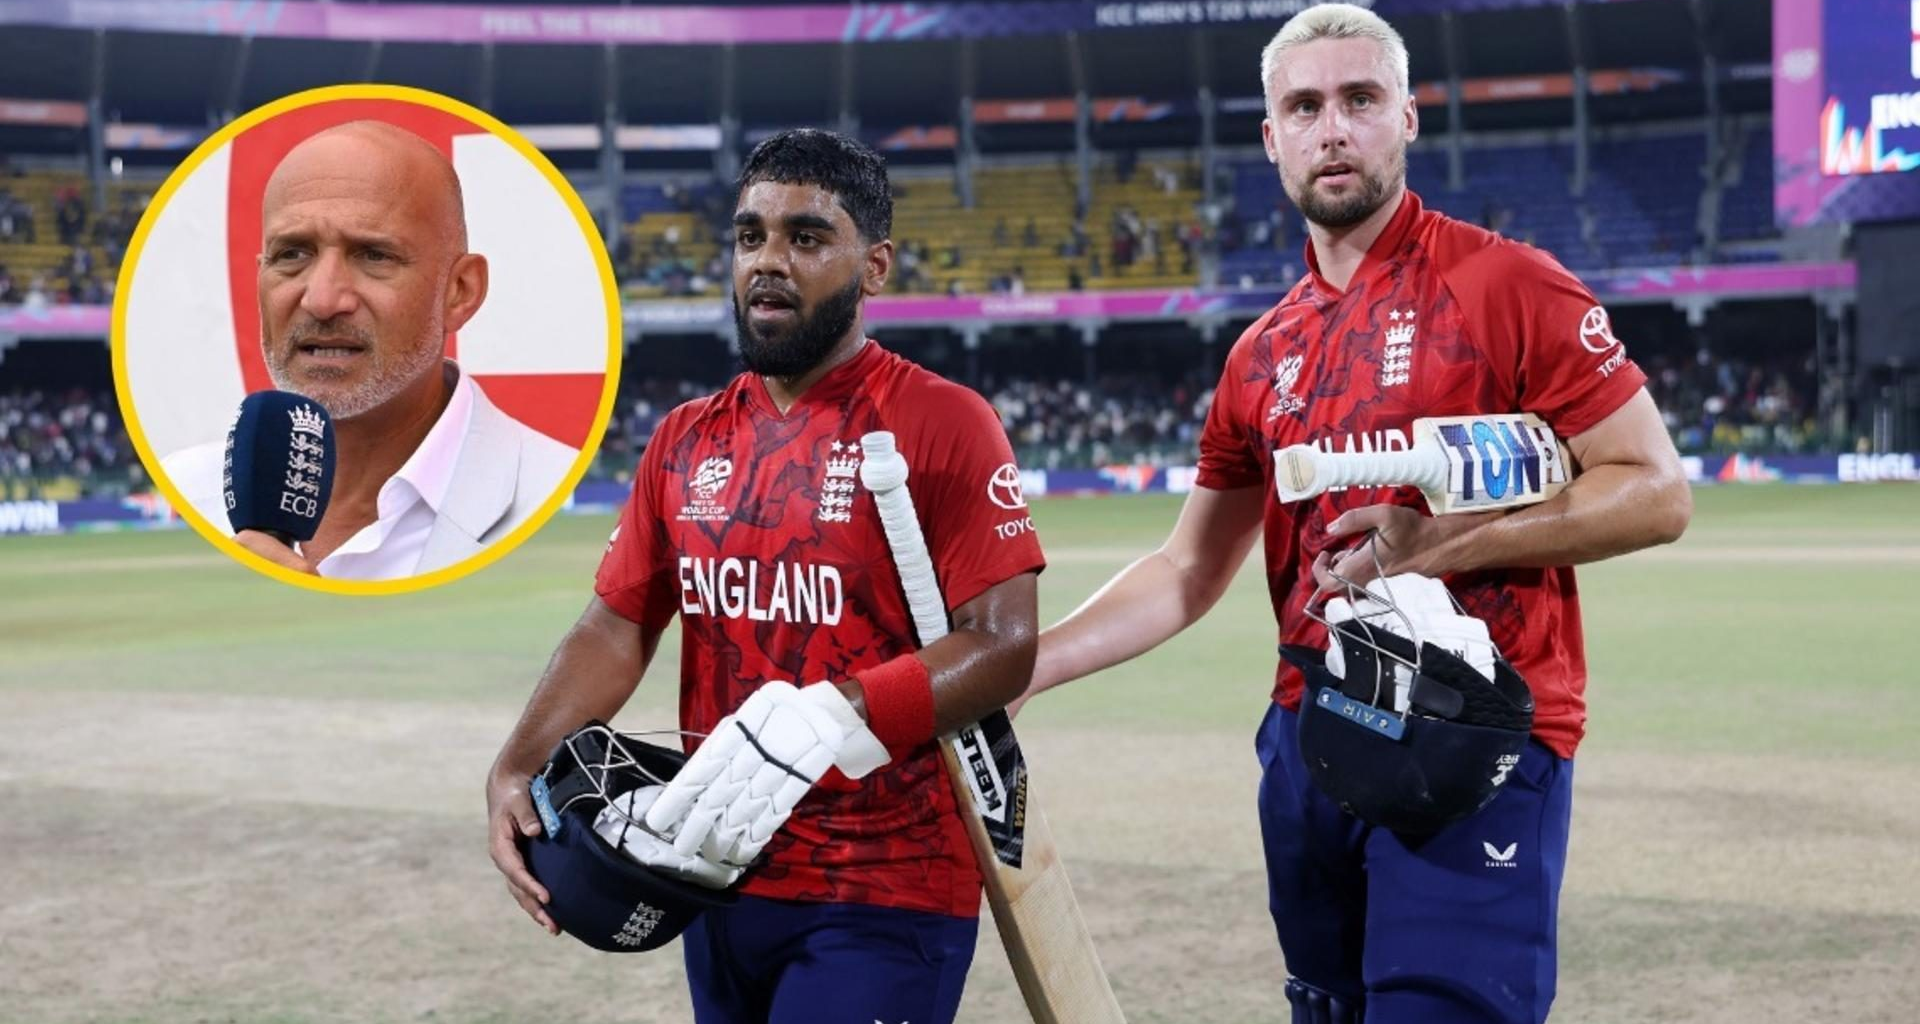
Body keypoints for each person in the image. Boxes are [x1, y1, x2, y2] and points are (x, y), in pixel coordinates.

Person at [1012, 6, 1691, 1024]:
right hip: (1313, 733)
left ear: (1407, 119)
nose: (1333, 127)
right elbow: (1189, 568)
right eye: (1305, 105)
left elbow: (1655, 488)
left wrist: (1451, 540)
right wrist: (1031, 664)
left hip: (1479, 732)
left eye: (1360, 99)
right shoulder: (1260, 350)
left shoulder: (1508, 285)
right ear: (1272, 137)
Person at [485, 128, 1045, 1024]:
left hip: (882, 885)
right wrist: (517, 764)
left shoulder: (944, 421)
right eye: (751, 238)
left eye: (806, 238)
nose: (768, 262)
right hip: (712, 865)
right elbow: (616, 625)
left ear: (876, 266)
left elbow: (1005, 647)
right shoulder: (683, 438)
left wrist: (833, 716)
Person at [160, 120, 577, 579]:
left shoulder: (547, 489)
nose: (322, 299)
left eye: (374, 256)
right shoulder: (186, 489)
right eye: (292, 254)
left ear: (460, 291)